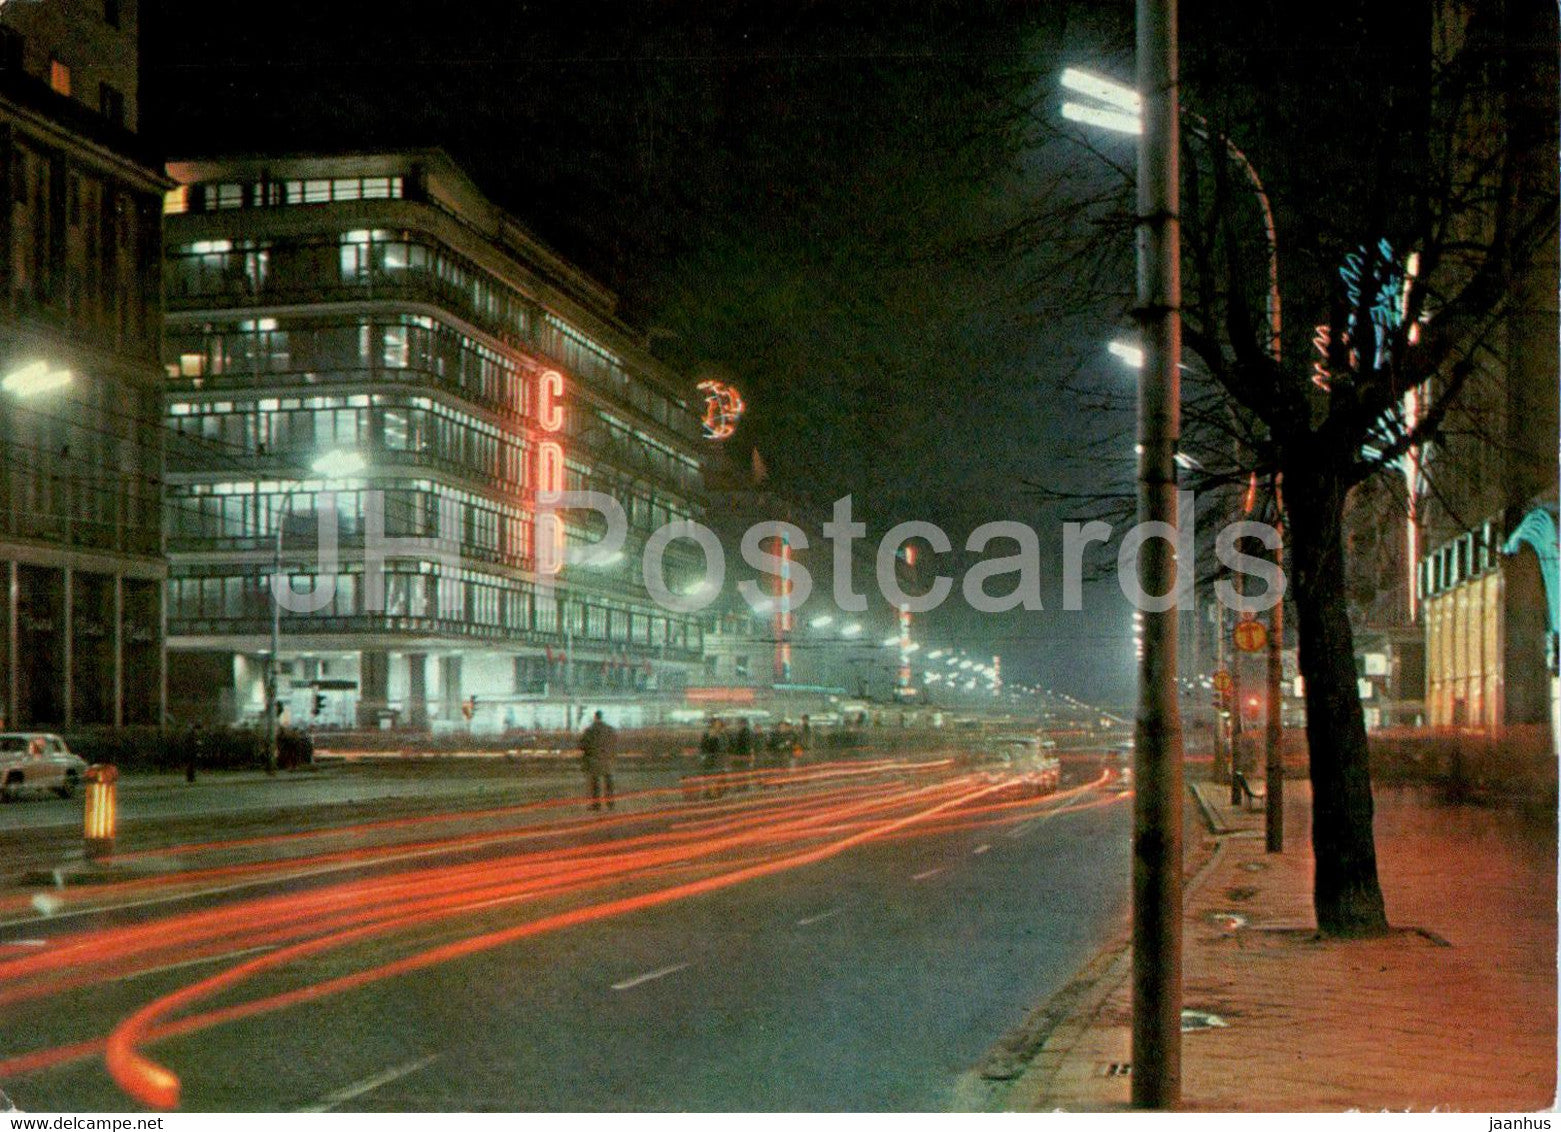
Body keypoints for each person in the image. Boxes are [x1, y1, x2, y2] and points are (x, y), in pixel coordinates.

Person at [579, 710, 617, 811]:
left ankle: (596, 805)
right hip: (607, 760)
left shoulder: (589, 730)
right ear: (602, 717)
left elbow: (582, 745)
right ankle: (610, 804)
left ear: (595, 717)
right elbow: (614, 743)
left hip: (593, 761)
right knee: (609, 783)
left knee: (595, 784)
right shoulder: (610, 730)